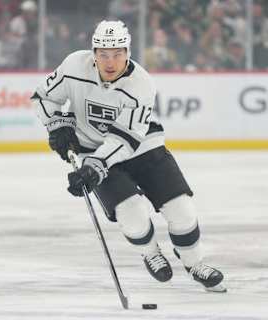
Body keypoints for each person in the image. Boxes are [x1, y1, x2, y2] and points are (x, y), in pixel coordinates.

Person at [31, 20, 226, 293]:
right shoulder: (74, 66)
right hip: (92, 152)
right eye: (103, 54)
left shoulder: (141, 84)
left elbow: (125, 139)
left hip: (144, 148)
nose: (110, 62)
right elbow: (41, 97)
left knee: (181, 210)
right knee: (131, 212)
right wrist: (57, 125)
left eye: (118, 54)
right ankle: (150, 252)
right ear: (94, 52)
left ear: (128, 52)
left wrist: (94, 167)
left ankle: (194, 263)